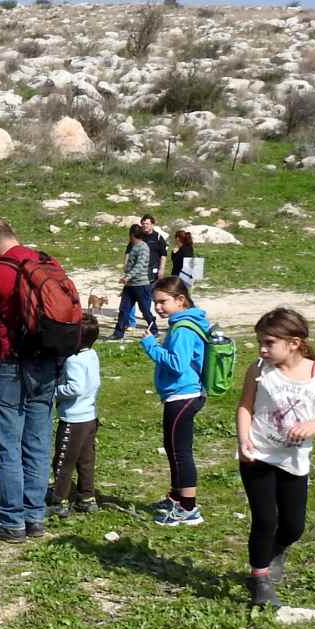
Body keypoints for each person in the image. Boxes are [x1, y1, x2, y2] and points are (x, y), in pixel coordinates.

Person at [237, 307, 315, 610]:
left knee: (294, 526)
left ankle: (275, 552)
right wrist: (244, 439)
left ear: (294, 343)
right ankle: (259, 580)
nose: (262, 349)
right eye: (261, 342)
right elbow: (245, 406)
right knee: (265, 519)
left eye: (269, 343)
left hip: (294, 459)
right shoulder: (259, 369)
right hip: (258, 454)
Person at [0, 220, 58, 541]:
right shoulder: (46, 262)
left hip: (8, 365)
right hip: (45, 364)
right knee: (37, 442)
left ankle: (10, 519)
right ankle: (34, 515)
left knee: (6, 444)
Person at [139, 276, 212, 527]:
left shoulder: (181, 328)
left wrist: (150, 345)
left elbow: (177, 364)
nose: (157, 307)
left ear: (180, 300)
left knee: (180, 452)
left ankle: (189, 508)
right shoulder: (186, 322)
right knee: (173, 448)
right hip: (185, 393)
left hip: (182, 395)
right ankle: (176, 497)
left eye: (162, 302)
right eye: (155, 303)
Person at [47, 313, 102, 517]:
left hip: (73, 419)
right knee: (85, 459)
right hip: (89, 417)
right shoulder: (92, 355)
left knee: (63, 461)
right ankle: (87, 496)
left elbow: (75, 388)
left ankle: (59, 500)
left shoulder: (73, 361)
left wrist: (55, 390)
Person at [110, 226, 156, 339]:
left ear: (132, 235)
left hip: (141, 285)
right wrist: (126, 278)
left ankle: (154, 329)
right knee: (124, 309)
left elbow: (139, 265)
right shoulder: (134, 247)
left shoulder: (143, 247)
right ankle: (118, 333)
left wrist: (128, 276)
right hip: (130, 285)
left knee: (145, 310)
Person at [139, 215, 168, 281]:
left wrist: (162, 269)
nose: (145, 225)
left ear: (152, 225)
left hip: (154, 269)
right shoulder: (139, 237)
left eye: (147, 224)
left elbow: (163, 255)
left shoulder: (158, 237)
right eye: (143, 224)